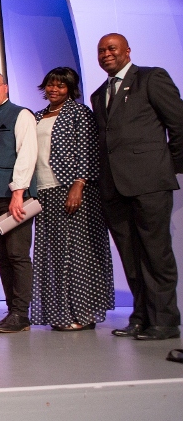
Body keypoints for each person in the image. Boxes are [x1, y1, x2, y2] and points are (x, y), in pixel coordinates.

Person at [91, 33, 183, 341]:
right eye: (102, 50)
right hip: (114, 189)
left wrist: (168, 166)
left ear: (127, 51)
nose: (106, 54)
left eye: (112, 48)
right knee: (130, 257)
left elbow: (179, 124)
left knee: (156, 254)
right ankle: (141, 317)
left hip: (149, 183)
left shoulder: (151, 78)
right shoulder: (98, 94)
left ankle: (165, 322)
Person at [31, 67, 114, 331]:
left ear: (70, 89)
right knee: (53, 254)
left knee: (78, 253)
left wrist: (78, 184)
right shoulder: (37, 116)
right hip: (43, 191)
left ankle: (84, 314)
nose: (54, 89)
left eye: (61, 85)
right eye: (50, 85)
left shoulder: (79, 113)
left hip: (71, 189)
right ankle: (61, 314)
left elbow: (89, 151)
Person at [0, 71, 38, 333]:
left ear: (5, 87)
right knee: (2, 256)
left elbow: (27, 152)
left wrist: (18, 191)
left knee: (17, 254)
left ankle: (21, 314)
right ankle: (13, 311)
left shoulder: (21, 114)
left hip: (14, 197)